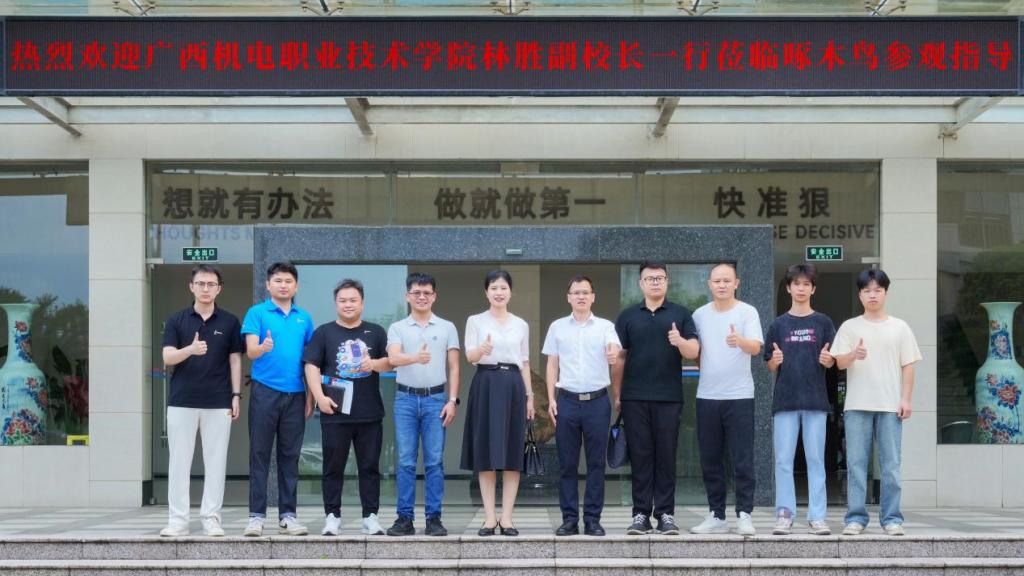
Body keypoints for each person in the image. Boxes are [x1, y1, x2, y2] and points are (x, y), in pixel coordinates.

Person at [831, 268, 921, 537]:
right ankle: (855, 518)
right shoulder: (850, 327)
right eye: (867, 290)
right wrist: (853, 354)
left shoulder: (900, 327)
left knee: (891, 466)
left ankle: (891, 518)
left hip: (890, 406)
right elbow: (839, 363)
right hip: (857, 405)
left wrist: (906, 399)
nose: (872, 295)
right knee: (856, 465)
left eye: (877, 290)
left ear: (886, 293)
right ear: (859, 295)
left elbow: (908, 365)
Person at [612, 261, 699, 536]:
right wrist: (618, 394)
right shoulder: (628, 316)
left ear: (667, 281)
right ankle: (640, 514)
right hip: (634, 397)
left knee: (666, 456)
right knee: (640, 456)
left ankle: (665, 514)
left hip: (669, 397)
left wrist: (679, 341)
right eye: (650, 278)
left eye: (660, 278)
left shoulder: (681, 314)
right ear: (641, 283)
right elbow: (620, 358)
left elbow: (694, 351)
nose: (655, 282)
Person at [159, 265, 244, 537]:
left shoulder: (230, 322)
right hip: (181, 401)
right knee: (179, 463)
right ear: (191, 287)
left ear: (219, 289)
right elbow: (168, 357)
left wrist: (236, 395)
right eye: (201, 283)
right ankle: (177, 521)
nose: (205, 289)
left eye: (211, 284)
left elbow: (235, 360)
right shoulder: (177, 320)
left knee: (216, 463)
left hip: (219, 402)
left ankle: (211, 519)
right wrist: (191, 349)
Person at [303, 279, 391, 536]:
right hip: (335, 412)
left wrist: (373, 364)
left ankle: (370, 517)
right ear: (336, 303)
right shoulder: (324, 332)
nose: (348, 304)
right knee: (333, 467)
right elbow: (311, 365)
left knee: (369, 467)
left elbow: (390, 363)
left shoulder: (376, 331)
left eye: (353, 300)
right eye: (343, 300)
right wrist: (319, 397)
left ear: (362, 303)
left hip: (369, 413)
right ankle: (332, 517)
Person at [543, 275, 621, 537]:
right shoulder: (557, 327)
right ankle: (569, 519)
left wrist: (613, 353)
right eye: (576, 292)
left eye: (585, 292)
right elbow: (552, 364)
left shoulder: (606, 326)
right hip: (566, 401)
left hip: (597, 402)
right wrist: (551, 398)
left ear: (593, 297)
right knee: (567, 464)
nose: (581, 296)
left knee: (596, 463)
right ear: (569, 297)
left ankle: (592, 520)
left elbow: (614, 349)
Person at [241, 261, 314, 537]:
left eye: (288, 281)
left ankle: (288, 516)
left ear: (296, 286)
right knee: (259, 454)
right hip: (265, 392)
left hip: (296, 394)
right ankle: (256, 517)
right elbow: (250, 351)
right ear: (268, 284)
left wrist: (310, 396)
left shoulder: (304, 317)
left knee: (290, 457)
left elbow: (309, 361)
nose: (283, 285)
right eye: (278, 281)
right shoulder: (257, 313)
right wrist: (263, 347)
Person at [689, 263, 763, 536]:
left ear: (736, 283)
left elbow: (756, 348)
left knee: (743, 458)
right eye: (717, 281)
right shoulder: (699, 315)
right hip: (707, 395)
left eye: (726, 280)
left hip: (740, 396)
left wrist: (739, 341)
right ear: (709, 284)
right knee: (711, 459)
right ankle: (716, 515)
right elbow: (696, 352)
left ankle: (744, 514)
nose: (721, 285)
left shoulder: (747, 312)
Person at [385, 272, 461, 537]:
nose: (422, 297)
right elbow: (393, 359)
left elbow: (454, 367)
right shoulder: (397, 327)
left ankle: (434, 518)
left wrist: (452, 400)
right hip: (405, 399)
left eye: (427, 293)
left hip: (436, 400)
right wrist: (416, 357)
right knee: (405, 461)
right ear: (407, 296)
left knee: (434, 462)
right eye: (416, 292)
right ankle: (404, 518)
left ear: (434, 296)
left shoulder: (447, 327)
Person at [461, 269, 535, 537]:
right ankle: (489, 518)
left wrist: (530, 396)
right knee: (486, 453)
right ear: (486, 292)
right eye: (494, 287)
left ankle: (507, 518)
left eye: (503, 288)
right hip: (486, 383)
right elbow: (469, 356)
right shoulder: (475, 321)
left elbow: (524, 362)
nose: (499, 292)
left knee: (513, 453)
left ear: (510, 292)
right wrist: (481, 351)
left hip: (514, 385)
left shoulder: (521, 324)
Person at [763, 263, 836, 536]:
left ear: (813, 289)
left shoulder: (824, 323)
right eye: (797, 284)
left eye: (806, 284)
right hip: (785, 401)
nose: (801, 288)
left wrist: (829, 360)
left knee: (816, 460)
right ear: (788, 288)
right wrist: (775, 360)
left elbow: (833, 359)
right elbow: (770, 364)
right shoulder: (778, 325)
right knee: (783, 461)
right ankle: (785, 515)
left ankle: (817, 517)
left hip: (816, 401)